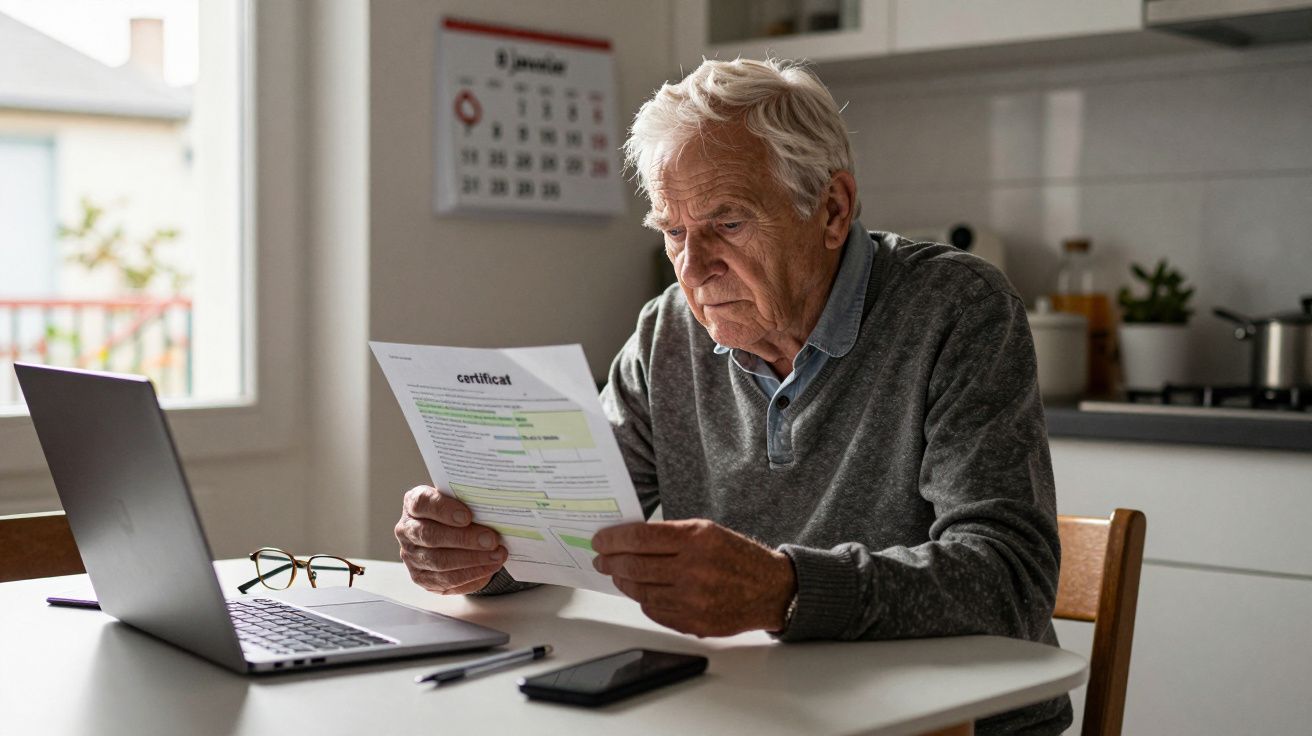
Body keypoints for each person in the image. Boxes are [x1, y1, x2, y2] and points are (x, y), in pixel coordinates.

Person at [394, 57, 1071, 733]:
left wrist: (785, 591)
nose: (694, 267)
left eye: (729, 222)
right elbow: (568, 530)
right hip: (759, 713)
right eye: (673, 231)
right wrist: (475, 556)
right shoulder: (667, 332)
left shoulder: (957, 308)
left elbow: (1009, 579)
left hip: (953, 724)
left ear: (832, 210)